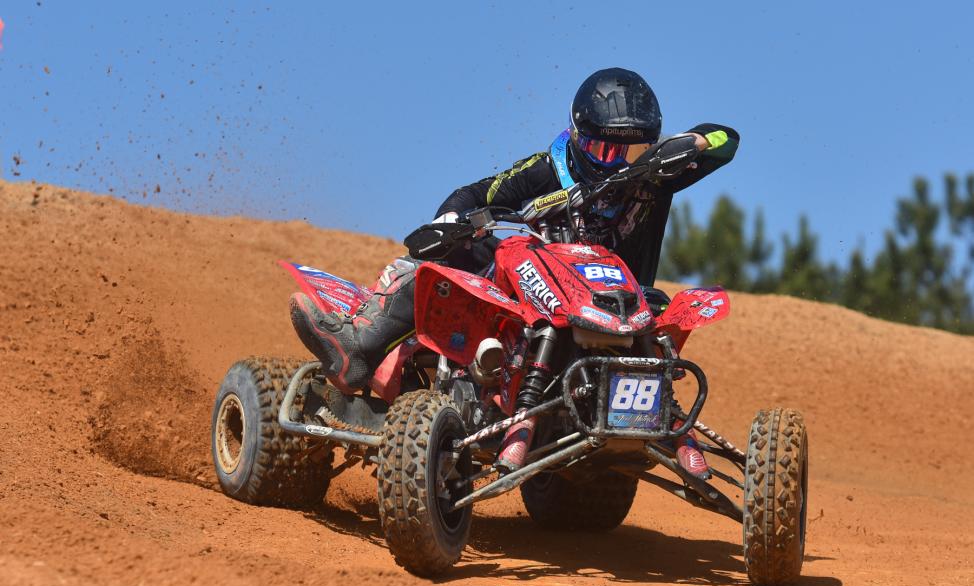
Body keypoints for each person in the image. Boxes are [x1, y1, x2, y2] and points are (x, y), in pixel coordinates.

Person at [291, 67, 739, 477]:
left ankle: (660, 427)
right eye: (605, 148)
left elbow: (727, 139)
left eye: (633, 149)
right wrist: (450, 222)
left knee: (670, 314)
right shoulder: (547, 170)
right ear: (579, 139)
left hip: (626, 307)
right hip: (544, 300)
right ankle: (358, 346)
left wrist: (693, 144)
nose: (618, 160)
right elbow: (476, 194)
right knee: (434, 267)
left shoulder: (655, 175)